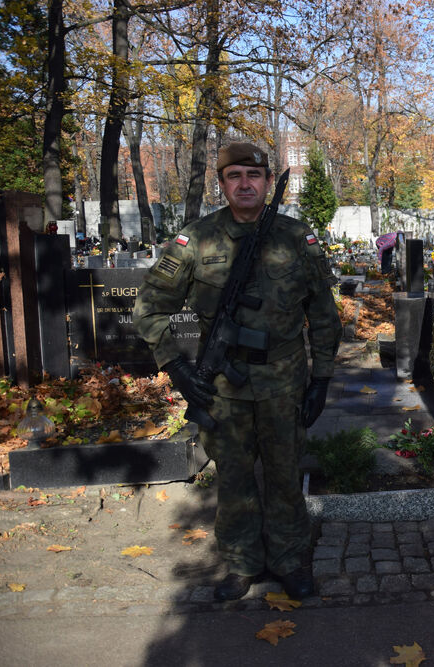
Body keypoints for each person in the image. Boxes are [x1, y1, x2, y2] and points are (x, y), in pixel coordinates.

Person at [133, 142, 342, 601]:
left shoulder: (296, 237)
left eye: (254, 174)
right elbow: (151, 308)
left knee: (286, 475)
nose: (245, 184)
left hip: (284, 382)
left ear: (268, 182)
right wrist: (178, 366)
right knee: (233, 478)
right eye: (234, 176)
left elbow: (323, 313)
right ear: (222, 183)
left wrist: (321, 378)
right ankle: (241, 562)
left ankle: (289, 560)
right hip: (223, 387)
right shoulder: (196, 239)